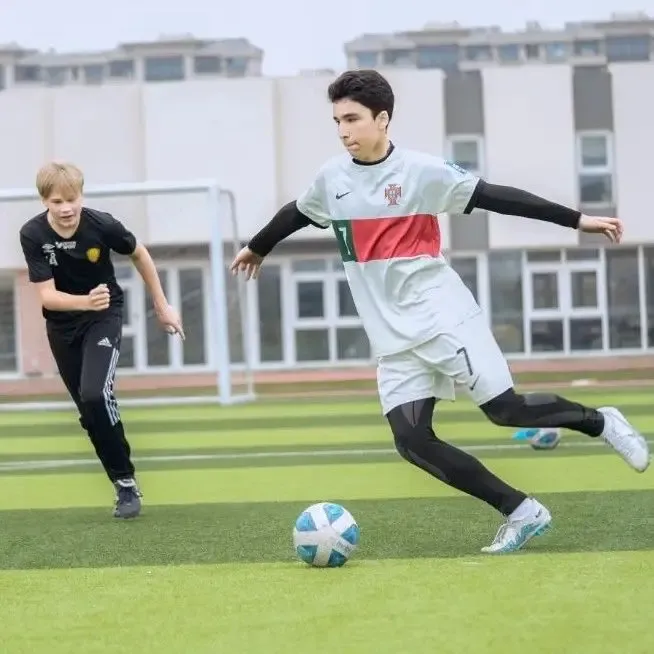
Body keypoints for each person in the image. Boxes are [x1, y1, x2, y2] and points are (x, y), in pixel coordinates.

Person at [230, 69, 650, 554]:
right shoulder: (332, 178)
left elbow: (498, 197)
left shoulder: (421, 172)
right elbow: (297, 212)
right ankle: (522, 511)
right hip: (394, 341)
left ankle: (602, 422)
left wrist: (578, 220)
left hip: (442, 317)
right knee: (412, 442)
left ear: (382, 119)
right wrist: (257, 247)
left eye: (353, 119)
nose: (343, 131)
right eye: (337, 121)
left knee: (505, 411)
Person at [19, 162, 185, 519]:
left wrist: (162, 305)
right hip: (63, 326)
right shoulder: (32, 234)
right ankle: (120, 480)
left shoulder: (102, 225)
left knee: (96, 394)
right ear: (44, 201)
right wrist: (84, 301)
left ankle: (126, 483)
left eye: (72, 199)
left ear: (82, 195)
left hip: (103, 317)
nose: (66, 208)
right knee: (88, 409)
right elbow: (47, 297)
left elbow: (139, 253)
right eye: (57, 201)